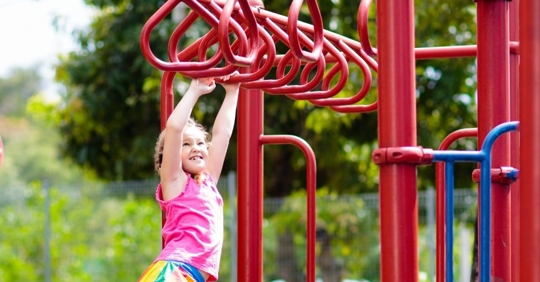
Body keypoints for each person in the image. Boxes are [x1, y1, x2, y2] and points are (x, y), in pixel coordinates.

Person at [138, 72, 240, 282]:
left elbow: (222, 133)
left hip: (191, 275)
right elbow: (174, 128)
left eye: (201, 143)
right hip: (174, 271)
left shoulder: (208, 180)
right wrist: (195, 90)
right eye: (186, 144)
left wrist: (232, 92)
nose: (196, 148)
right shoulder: (176, 182)